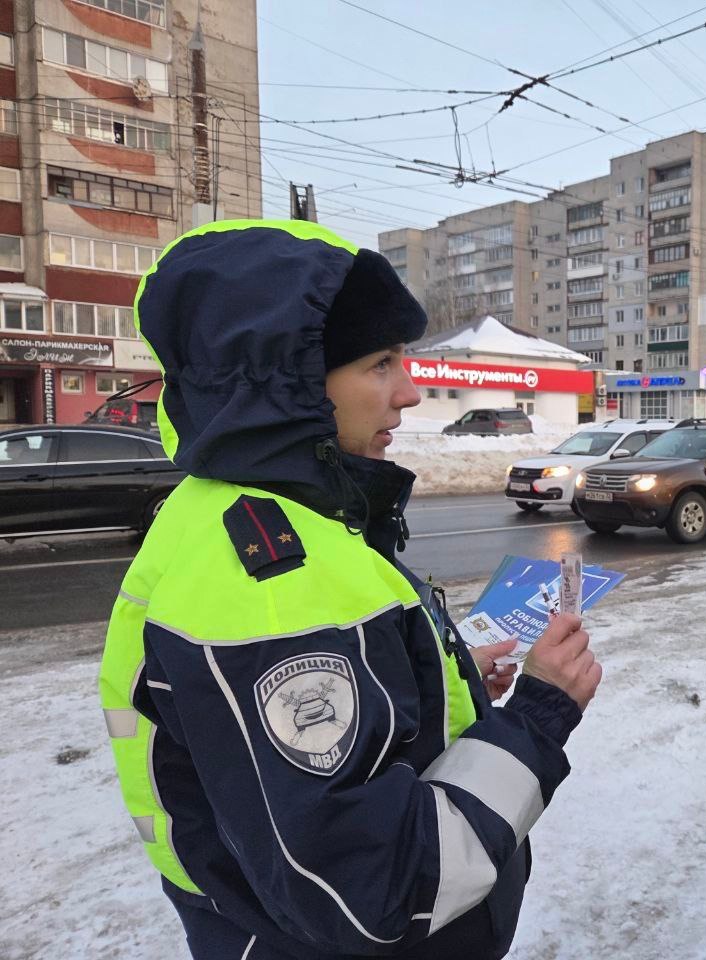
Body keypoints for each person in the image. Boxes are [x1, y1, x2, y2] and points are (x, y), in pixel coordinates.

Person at [99, 220, 602, 959]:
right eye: (380, 363)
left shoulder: (257, 509)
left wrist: (433, 676)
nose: (408, 391)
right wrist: (539, 713)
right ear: (293, 383)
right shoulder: (275, 576)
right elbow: (376, 888)